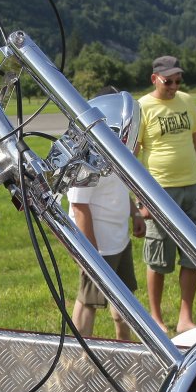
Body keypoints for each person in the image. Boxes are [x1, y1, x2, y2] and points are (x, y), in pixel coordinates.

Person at [136, 56, 196, 336]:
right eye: (168, 82)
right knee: (158, 257)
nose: (174, 86)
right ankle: (156, 317)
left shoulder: (186, 101)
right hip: (160, 191)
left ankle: (185, 317)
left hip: (192, 189)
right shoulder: (142, 107)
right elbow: (133, 154)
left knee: (194, 254)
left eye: (178, 81)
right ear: (154, 79)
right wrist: (141, 198)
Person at [68, 90, 146, 340]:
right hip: (99, 247)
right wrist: (91, 255)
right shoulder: (85, 157)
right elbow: (79, 207)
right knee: (88, 302)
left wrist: (135, 214)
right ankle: (77, 356)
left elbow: (119, 187)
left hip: (119, 240)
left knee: (124, 300)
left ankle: (124, 347)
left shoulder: (116, 151)